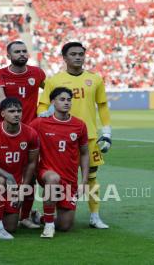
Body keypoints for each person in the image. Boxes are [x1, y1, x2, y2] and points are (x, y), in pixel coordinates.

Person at [38, 42, 112, 229]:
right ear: (64, 57)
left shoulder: (95, 79)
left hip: (89, 136)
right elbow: (43, 104)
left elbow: (102, 105)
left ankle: (94, 216)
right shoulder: (54, 80)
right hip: (61, 138)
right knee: (57, 176)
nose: (78, 57)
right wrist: (43, 115)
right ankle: (49, 215)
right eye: (73, 54)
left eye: (81, 54)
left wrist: (107, 130)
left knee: (92, 177)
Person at [30, 87, 89, 238]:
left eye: (69, 100)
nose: (66, 103)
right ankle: (49, 226)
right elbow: (23, 134)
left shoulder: (79, 125)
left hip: (69, 178)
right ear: (53, 102)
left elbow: (84, 153)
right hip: (46, 172)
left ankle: (41, 218)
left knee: (65, 225)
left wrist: (83, 181)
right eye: (62, 99)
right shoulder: (40, 123)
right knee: (53, 179)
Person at [0, 97, 39, 240]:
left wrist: (23, 189)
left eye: (19, 111)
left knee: (12, 227)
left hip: (16, 184)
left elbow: (32, 163)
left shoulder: (30, 133)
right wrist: (8, 176)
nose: (16, 114)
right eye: (11, 111)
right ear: (3, 114)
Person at [1, 41, 46, 228]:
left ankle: (25, 216)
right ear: (8, 55)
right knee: (5, 176)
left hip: (32, 132)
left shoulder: (37, 73)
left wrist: (45, 109)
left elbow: (51, 90)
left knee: (31, 174)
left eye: (24, 51)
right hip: (8, 133)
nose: (21, 54)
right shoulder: (1, 74)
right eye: (17, 51)